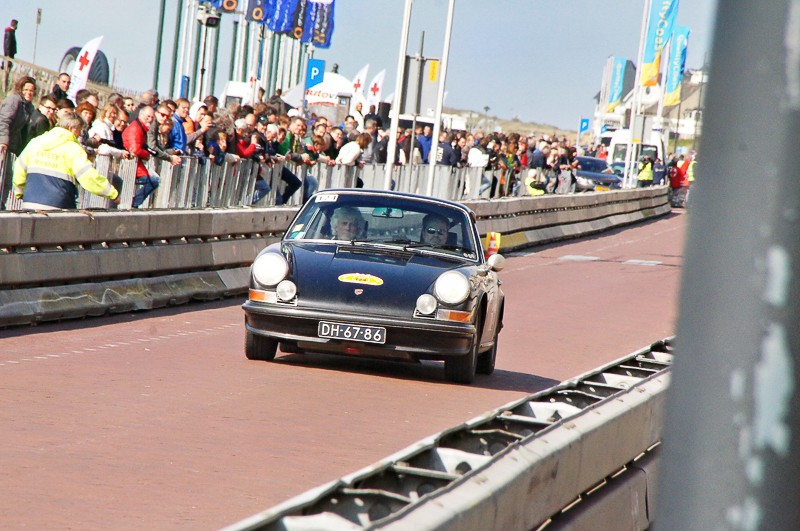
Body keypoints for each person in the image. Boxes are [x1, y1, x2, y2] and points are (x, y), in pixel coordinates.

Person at [12, 111, 119, 210]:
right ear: (71, 128)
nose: (79, 135)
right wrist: (112, 193)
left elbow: (19, 168)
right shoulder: (73, 149)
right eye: (79, 131)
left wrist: (20, 192)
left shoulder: (36, 142)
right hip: (59, 206)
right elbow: (88, 176)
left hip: (30, 202)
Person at [122, 105, 160, 208]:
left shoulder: (140, 128)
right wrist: (146, 155)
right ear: (141, 115)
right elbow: (135, 149)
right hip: (131, 165)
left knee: (154, 180)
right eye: (148, 116)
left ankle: (133, 203)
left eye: (152, 117)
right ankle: (134, 204)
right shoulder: (135, 129)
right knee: (154, 181)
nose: (150, 119)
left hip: (135, 164)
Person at [0, 75, 36, 156]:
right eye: (26, 90)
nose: (28, 93)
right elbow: (3, 121)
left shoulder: (30, 107)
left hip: (13, 146)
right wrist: (3, 141)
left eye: (31, 90)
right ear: (20, 89)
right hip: (3, 143)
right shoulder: (14, 100)